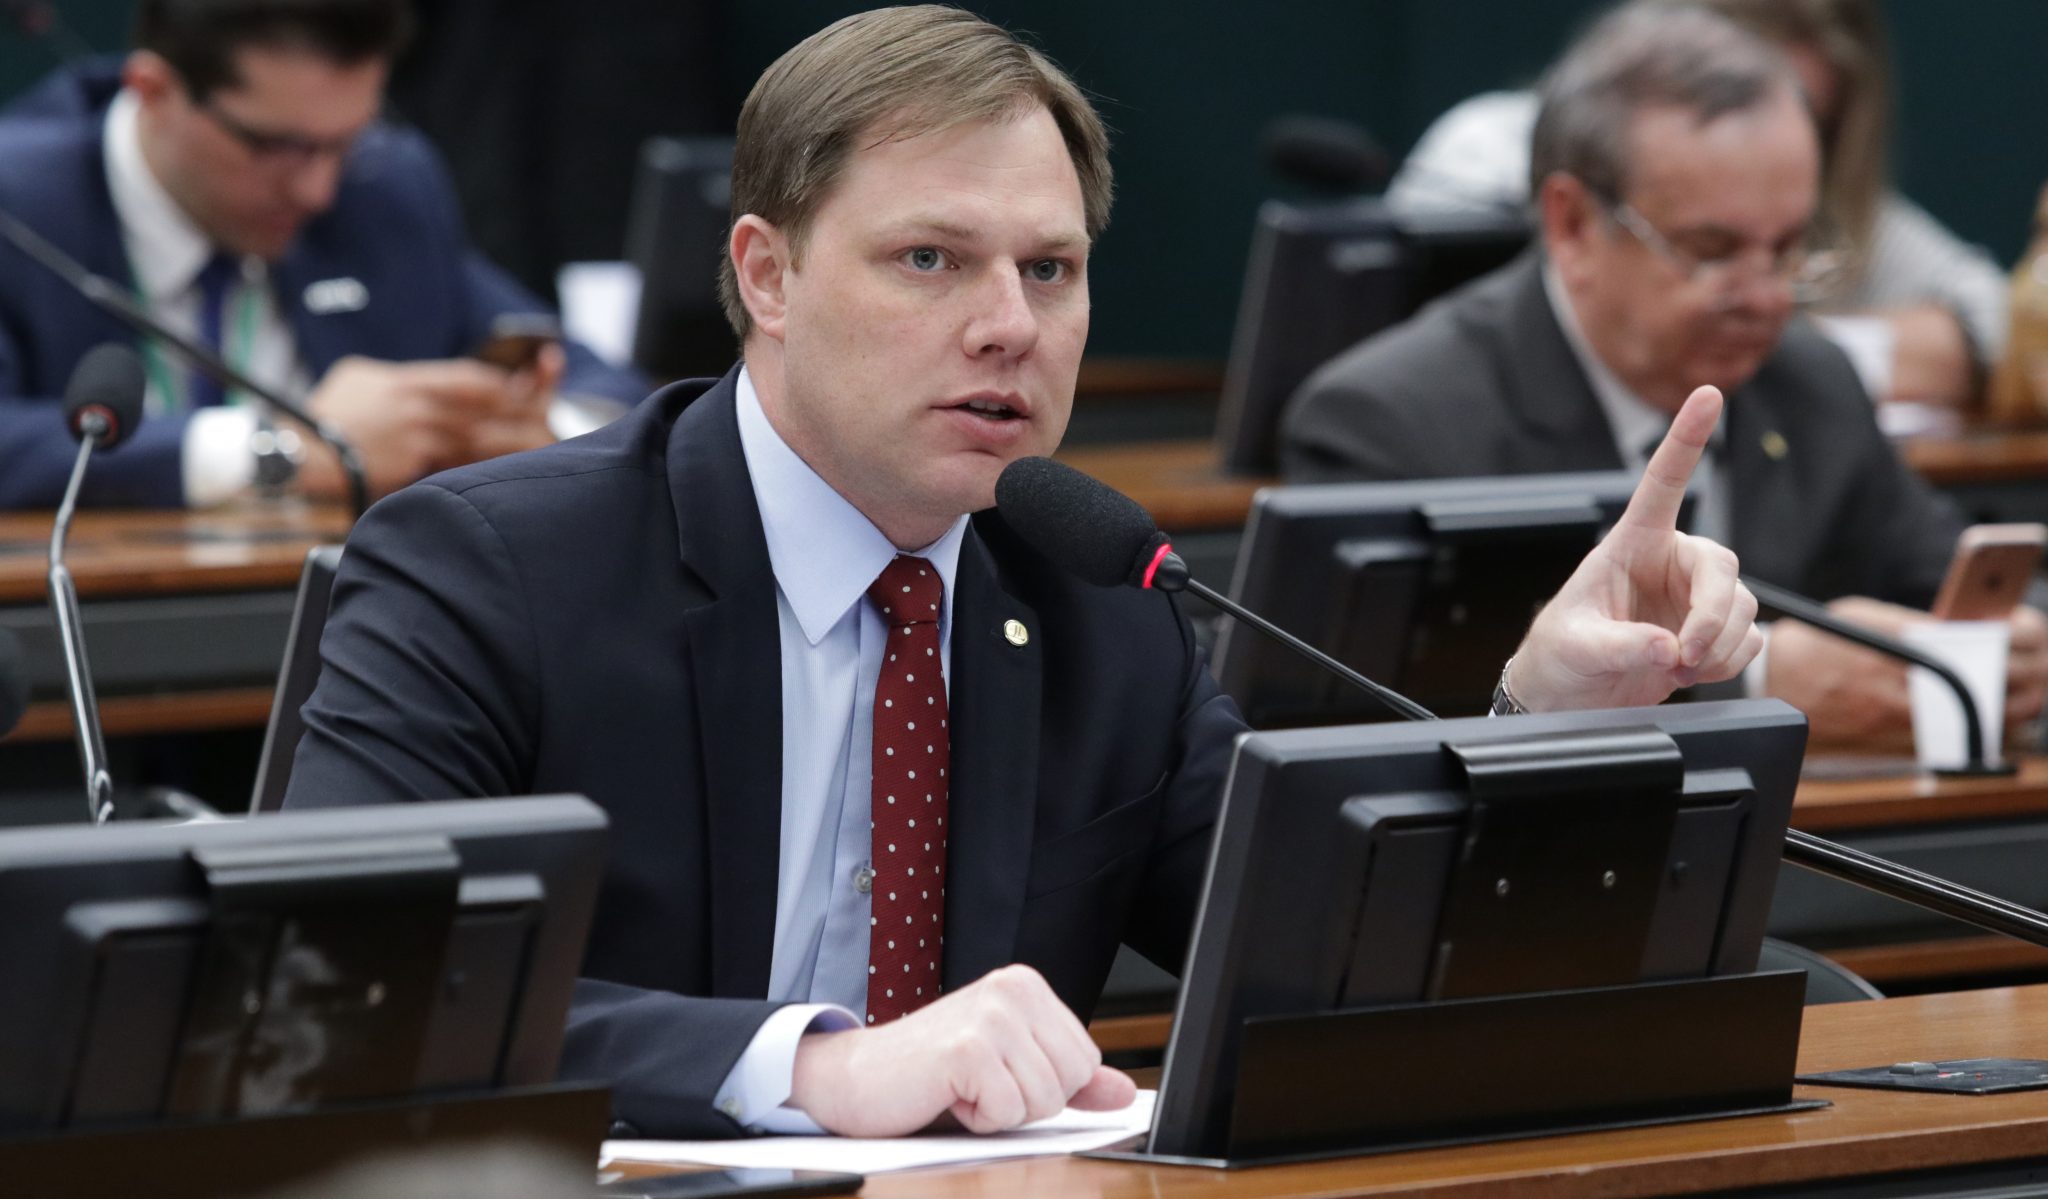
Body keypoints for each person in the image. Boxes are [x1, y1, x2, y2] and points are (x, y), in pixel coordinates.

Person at [283, 5, 1759, 1140]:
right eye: (931, 260)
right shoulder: (494, 566)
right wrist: (814, 1064)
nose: (1010, 325)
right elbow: (340, 988)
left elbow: (1327, 958)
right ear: (767, 276)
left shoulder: (1093, 590)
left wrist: (1541, 719)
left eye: (1049, 269)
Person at [1283, 2, 2048, 745]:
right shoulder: (1387, 421)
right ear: (1573, 224)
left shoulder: (1808, 382)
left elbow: (1945, 575)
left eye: (1788, 247)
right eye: (1712, 250)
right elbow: (1380, 727)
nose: (1766, 297)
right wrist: (1751, 684)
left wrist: (2017, 645)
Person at [0, 0, 645, 510]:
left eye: (348, 140)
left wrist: (541, 438)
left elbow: (607, 390)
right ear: (154, 90)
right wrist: (276, 450)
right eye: (277, 147)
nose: (318, 191)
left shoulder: (385, 185)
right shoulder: (18, 211)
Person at [1385, 0, 2006, 408]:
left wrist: (1782, 346)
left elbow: (1998, 320)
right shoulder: (1487, 151)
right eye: (1710, 247)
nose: (1758, 146)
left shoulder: (1822, 209)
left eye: (1792, 113)